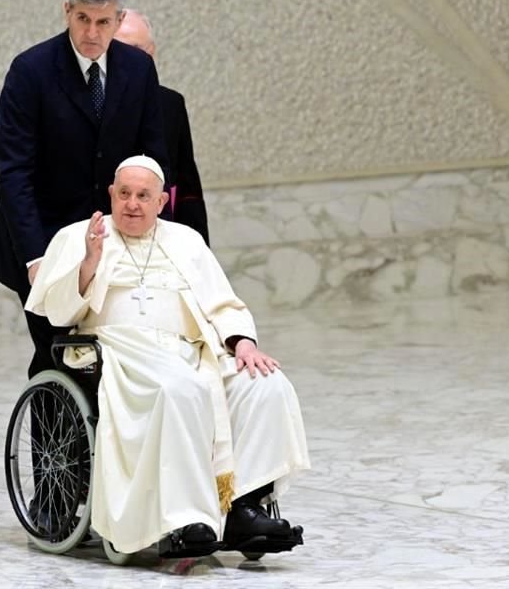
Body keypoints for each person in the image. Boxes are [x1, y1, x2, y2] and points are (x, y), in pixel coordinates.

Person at [26, 155, 310, 557]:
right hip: (119, 350)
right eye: (124, 194)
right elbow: (57, 313)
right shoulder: (81, 235)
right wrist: (89, 261)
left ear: (161, 202)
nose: (132, 204)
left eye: (144, 196)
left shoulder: (186, 240)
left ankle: (244, 507)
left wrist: (243, 342)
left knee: (264, 384)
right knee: (180, 388)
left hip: (193, 348)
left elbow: (222, 302)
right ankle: (184, 519)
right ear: (111, 194)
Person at [0, 0, 169, 381]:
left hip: (112, 237)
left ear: (119, 20)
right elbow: (13, 171)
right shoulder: (30, 70)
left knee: (110, 355)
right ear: (67, 11)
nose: (91, 32)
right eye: (82, 18)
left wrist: (155, 233)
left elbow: (154, 156)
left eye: (103, 21)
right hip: (42, 237)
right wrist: (36, 257)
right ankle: (52, 426)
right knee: (58, 354)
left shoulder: (138, 69)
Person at [114, 9, 210, 245]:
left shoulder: (170, 104)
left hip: (160, 236)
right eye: (117, 50)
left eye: (136, 50)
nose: (128, 59)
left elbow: (187, 186)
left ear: (152, 53)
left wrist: (198, 250)